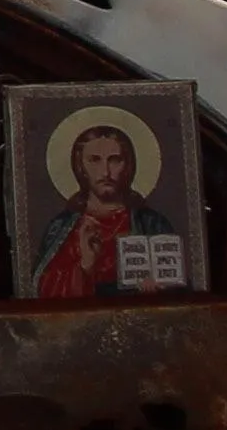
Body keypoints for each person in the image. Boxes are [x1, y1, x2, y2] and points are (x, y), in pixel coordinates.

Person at [30, 118, 160, 300]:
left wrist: (159, 288)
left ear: (128, 165)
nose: (105, 172)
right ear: (80, 166)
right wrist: (85, 266)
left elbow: (181, 286)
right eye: (94, 160)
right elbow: (43, 295)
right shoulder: (61, 227)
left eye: (115, 160)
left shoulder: (151, 223)